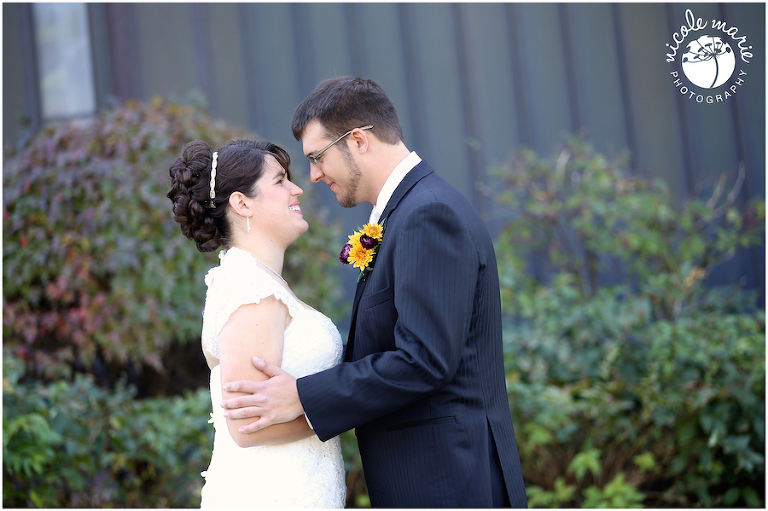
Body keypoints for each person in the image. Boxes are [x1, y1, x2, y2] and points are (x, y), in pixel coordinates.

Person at [221, 76, 528, 507]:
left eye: (317, 157)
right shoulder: (410, 212)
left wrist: (302, 396)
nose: (311, 176)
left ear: (359, 140)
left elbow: (424, 359)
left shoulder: (428, 214)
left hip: (448, 483)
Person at [166, 139, 346, 508]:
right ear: (242, 203)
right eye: (280, 181)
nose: (297, 188)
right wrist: (344, 411)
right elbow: (249, 427)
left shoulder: (250, 280)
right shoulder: (251, 290)